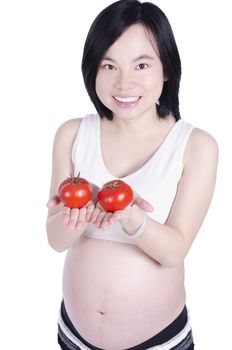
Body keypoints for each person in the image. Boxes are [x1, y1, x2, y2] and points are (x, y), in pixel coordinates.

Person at [46, 1, 218, 349]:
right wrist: (73, 215)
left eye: (142, 65)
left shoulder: (196, 146)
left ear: (167, 68)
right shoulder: (72, 133)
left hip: (159, 342)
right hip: (73, 336)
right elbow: (55, 240)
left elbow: (173, 252)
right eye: (109, 65)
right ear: (93, 68)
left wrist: (131, 217)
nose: (124, 83)